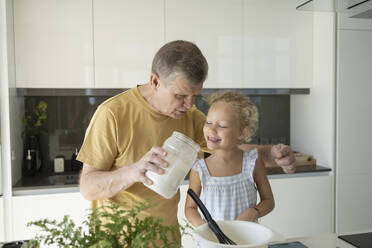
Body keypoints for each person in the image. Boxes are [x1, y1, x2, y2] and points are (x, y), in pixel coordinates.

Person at [77, 40, 295, 243]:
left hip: (167, 240)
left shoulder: (188, 116)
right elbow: (87, 187)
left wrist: (269, 153)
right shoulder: (112, 114)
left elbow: (226, 148)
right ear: (155, 81)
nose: (189, 105)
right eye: (181, 96)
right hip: (119, 240)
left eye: (195, 96)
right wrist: (132, 172)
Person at [185, 91, 274, 230]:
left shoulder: (253, 163)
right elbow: (190, 208)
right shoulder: (199, 169)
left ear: (242, 133)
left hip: (246, 240)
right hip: (212, 243)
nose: (212, 129)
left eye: (222, 126)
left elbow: (269, 202)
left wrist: (253, 212)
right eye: (208, 122)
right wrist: (205, 229)